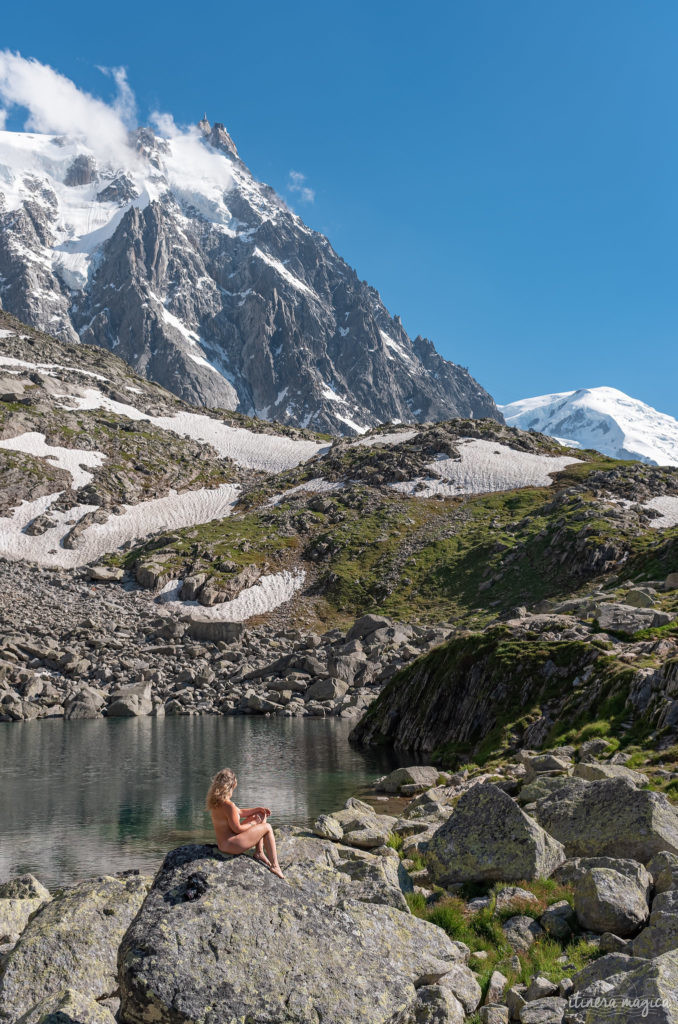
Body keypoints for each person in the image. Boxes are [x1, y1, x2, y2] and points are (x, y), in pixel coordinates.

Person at [206, 768, 285, 880]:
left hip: (223, 844)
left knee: (260, 815)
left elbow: (240, 812)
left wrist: (258, 809)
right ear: (231, 786)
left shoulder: (217, 802)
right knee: (267, 827)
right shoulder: (229, 805)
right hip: (232, 845)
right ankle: (275, 866)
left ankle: (259, 852)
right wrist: (253, 823)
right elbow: (237, 829)